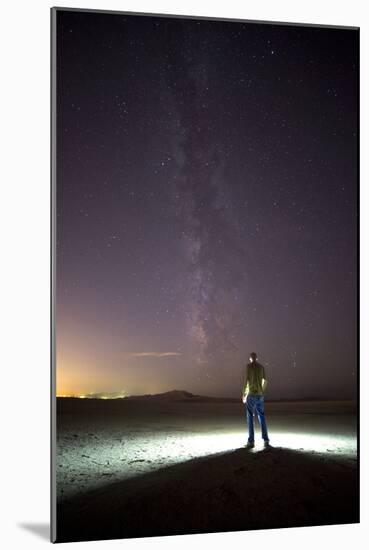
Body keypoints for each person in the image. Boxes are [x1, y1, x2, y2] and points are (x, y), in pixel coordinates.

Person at [241, 352, 270, 448]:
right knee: (262, 417)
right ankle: (266, 440)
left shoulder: (248, 366)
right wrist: (261, 390)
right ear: (256, 358)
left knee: (250, 417)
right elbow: (265, 380)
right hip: (260, 395)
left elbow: (246, 381)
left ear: (250, 358)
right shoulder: (261, 367)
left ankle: (251, 441)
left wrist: (244, 394)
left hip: (251, 395)